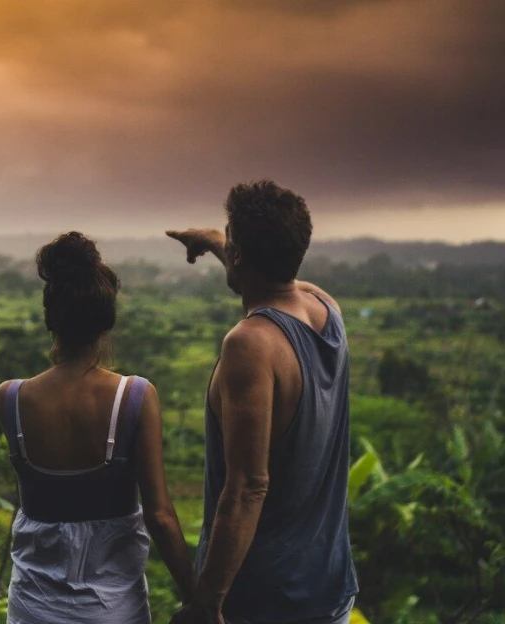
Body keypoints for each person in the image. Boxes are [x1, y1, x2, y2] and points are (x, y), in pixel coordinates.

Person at [166, 180, 359, 624]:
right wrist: (218, 241)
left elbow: (248, 487)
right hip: (327, 590)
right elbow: (278, 279)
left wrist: (208, 602)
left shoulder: (250, 345)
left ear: (239, 255)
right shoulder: (326, 308)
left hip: (265, 600)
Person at [0, 231, 196, 624]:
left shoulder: (11, 399)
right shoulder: (134, 397)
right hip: (114, 610)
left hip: (31, 608)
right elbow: (160, 515)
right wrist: (202, 599)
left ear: (49, 318)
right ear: (107, 319)